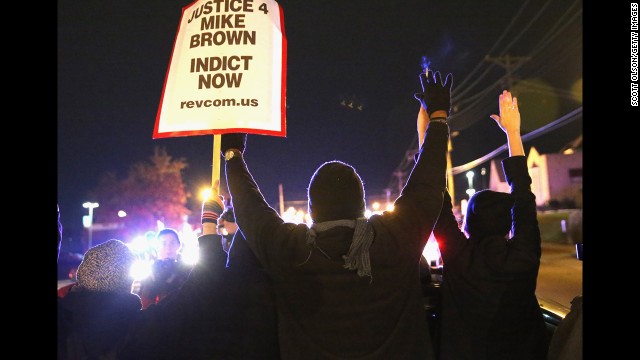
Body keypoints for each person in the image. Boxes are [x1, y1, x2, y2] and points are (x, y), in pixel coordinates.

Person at [219, 69, 453, 359]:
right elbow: (427, 188)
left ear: (312, 210)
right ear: (362, 204)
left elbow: (249, 209)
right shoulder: (392, 238)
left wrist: (232, 153)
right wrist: (438, 118)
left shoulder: (291, 249)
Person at [429, 90, 549, 360]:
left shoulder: (459, 255)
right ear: (509, 225)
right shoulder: (523, 254)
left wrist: (431, 131)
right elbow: (523, 195)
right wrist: (513, 133)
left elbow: (436, 198)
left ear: (468, 224)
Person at [57, 182, 234, 359]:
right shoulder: (143, 329)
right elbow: (202, 288)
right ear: (126, 280)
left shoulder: (64, 325)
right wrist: (210, 222)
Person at [137, 228, 193, 309]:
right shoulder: (151, 270)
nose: (168, 248)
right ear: (157, 246)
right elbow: (144, 302)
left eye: (172, 243)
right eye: (163, 243)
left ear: (178, 245)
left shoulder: (188, 270)